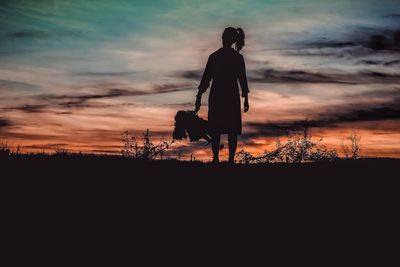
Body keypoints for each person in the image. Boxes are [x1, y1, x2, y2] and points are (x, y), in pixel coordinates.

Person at [194, 27, 250, 163]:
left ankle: (219, 159)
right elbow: (206, 78)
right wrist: (246, 99)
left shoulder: (215, 57)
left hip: (219, 95)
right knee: (227, 130)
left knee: (217, 129)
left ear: (225, 39)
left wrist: (199, 96)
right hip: (229, 96)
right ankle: (226, 159)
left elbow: (242, 79)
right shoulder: (236, 58)